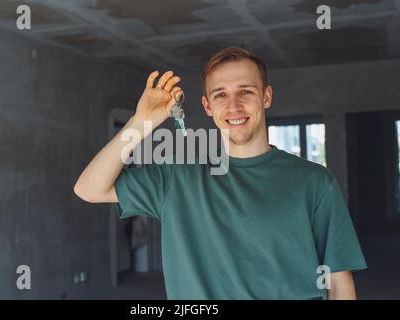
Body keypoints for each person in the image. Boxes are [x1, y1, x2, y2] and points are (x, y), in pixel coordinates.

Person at [74, 47, 367, 300]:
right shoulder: (177, 176)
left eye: (246, 91)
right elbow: (89, 189)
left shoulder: (314, 182)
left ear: (266, 96)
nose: (233, 106)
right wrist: (140, 122)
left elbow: (339, 284)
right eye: (220, 95)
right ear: (207, 105)